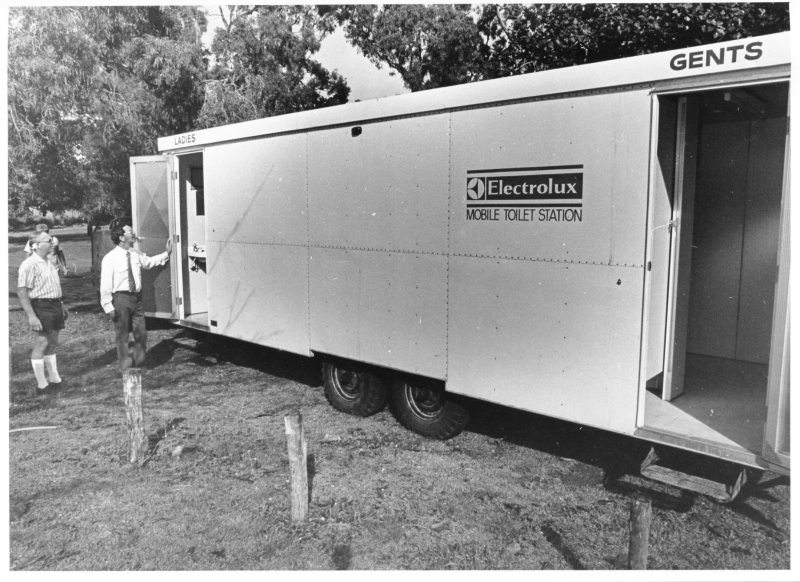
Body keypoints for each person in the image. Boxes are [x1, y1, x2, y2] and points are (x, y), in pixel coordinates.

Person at [100, 224, 172, 370]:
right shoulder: (110, 258)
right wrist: (108, 306)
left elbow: (149, 262)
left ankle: (140, 364)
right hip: (120, 299)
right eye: (129, 232)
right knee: (123, 334)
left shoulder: (135, 253)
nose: (133, 234)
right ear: (121, 237)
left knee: (141, 333)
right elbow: (105, 285)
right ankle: (126, 366)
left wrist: (167, 253)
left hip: (137, 299)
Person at [18, 231, 68, 394]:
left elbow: (53, 286)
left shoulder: (49, 261)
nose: (52, 242)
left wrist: (61, 305)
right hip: (41, 306)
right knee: (42, 343)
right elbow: (22, 291)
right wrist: (32, 316)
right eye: (48, 241)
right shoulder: (29, 264)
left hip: (55, 305)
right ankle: (41, 384)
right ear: (36, 245)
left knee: (52, 342)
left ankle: (54, 379)